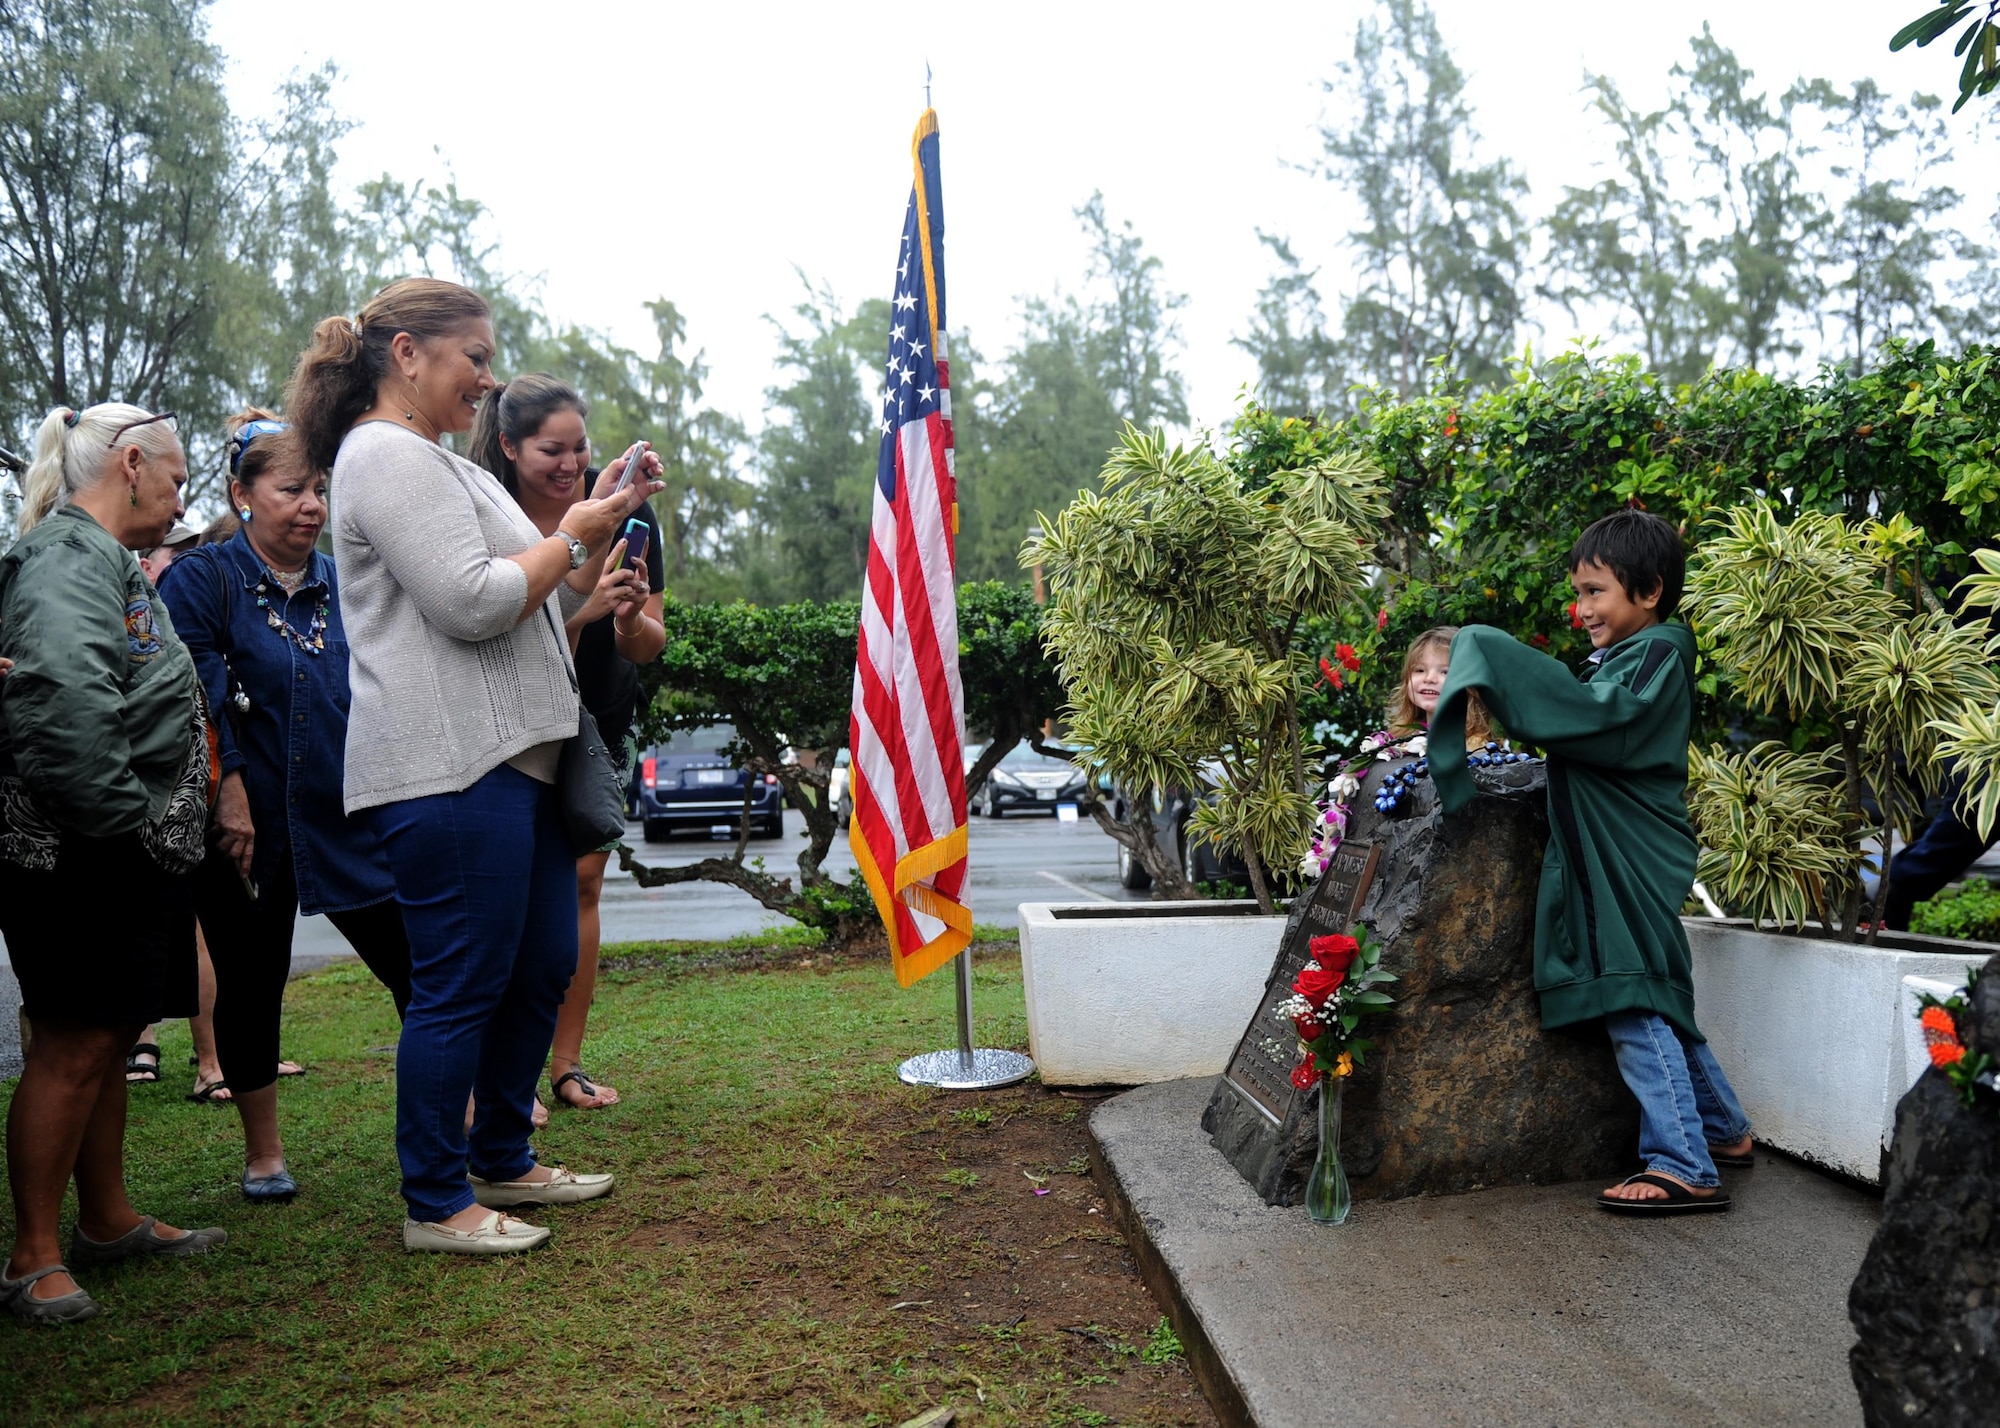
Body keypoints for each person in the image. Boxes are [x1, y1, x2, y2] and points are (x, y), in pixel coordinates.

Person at [284, 277, 660, 1255]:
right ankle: (436, 1202)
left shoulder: (449, 467)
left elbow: (547, 583)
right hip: (445, 769)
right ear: (407, 354)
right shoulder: (381, 456)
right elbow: (472, 599)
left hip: (513, 767)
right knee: (459, 981)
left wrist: (605, 508)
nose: (487, 381)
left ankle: (502, 1152)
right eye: (475, 360)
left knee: (537, 964)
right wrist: (568, 539)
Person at [1430, 509, 1754, 1216]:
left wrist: (1489, 649)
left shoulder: (1661, 654)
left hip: (1629, 853)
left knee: (1629, 995)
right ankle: (1723, 1131)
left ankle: (1683, 1162)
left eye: (1595, 592)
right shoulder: (1637, 654)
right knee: (1650, 987)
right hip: (1609, 852)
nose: (1580, 610)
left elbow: (1596, 718)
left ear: (1650, 591)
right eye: (1577, 594)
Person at [0, 403, 227, 1323]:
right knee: (71, 1040)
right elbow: (62, 705)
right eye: (175, 481)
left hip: (111, 851)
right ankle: (31, 1256)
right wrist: (130, 826)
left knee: (105, 1033)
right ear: (131, 463)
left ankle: (106, 1218)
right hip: (79, 852)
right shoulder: (65, 558)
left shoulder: (101, 559)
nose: (181, 503)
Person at [156, 409, 416, 1202]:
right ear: (242, 495)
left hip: (349, 810)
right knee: (250, 978)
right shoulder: (204, 579)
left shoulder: (346, 580)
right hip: (246, 822)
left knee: (417, 963)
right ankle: (264, 1154)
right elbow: (196, 694)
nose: (311, 504)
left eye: (320, 489)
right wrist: (228, 789)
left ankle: (474, 1107)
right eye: (291, 488)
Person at [467, 375, 664, 1111]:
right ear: (511, 448)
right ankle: (496, 1075)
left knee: (580, 887)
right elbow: (511, 624)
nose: (569, 462)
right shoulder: (493, 521)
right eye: (552, 449)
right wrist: (584, 613)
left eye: (580, 447)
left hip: (592, 727)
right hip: (511, 722)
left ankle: (565, 1062)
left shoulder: (628, 520)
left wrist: (624, 621)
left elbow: (647, 645)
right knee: (503, 902)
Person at [1303, 628, 1494, 878]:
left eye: (1444, 671)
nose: (1429, 678)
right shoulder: (1392, 747)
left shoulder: (1476, 749)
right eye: (1419, 670)